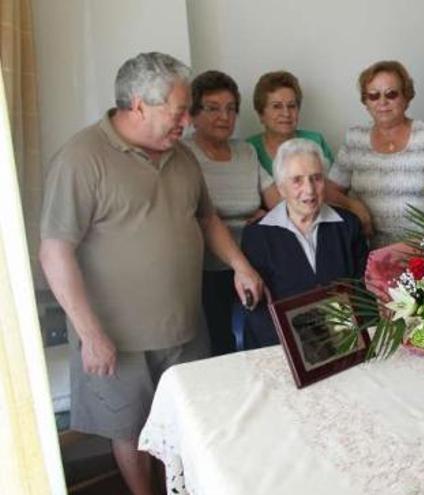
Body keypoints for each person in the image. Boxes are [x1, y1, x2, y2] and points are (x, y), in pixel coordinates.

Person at [39, 52, 263, 495]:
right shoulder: (81, 158)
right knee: (131, 431)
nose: (187, 120)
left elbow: (206, 218)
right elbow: (54, 252)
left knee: (185, 423)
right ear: (139, 105)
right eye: (179, 110)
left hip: (184, 325)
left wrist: (241, 266)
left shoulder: (181, 156)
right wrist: (91, 334)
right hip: (118, 337)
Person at [184, 70, 281, 355]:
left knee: (269, 333)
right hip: (206, 267)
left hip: (254, 259)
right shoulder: (183, 153)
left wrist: (269, 214)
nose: (224, 117)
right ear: (193, 113)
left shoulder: (246, 152)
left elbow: (278, 202)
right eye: (212, 109)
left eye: (230, 109)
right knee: (219, 345)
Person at [326, 60, 424, 247]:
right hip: (374, 256)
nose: (382, 102)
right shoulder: (355, 139)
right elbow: (329, 192)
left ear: (406, 97)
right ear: (366, 102)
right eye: (373, 95)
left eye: (391, 94)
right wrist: (353, 205)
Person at [241, 138, 368, 348]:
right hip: (285, 348)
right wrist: (301, 347)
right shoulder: (258, 236)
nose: (309, 190)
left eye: (316, 178)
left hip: (345, 342)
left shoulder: (347, 226)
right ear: (281, 188)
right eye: (297, 180)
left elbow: (363, 293)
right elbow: (259, 315)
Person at [246, 70, 334, 175]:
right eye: (277, 106)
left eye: (291, 106)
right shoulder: (248, 149)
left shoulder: (315, 141)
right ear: (261, 114)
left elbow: (332, 186)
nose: (286, 113)